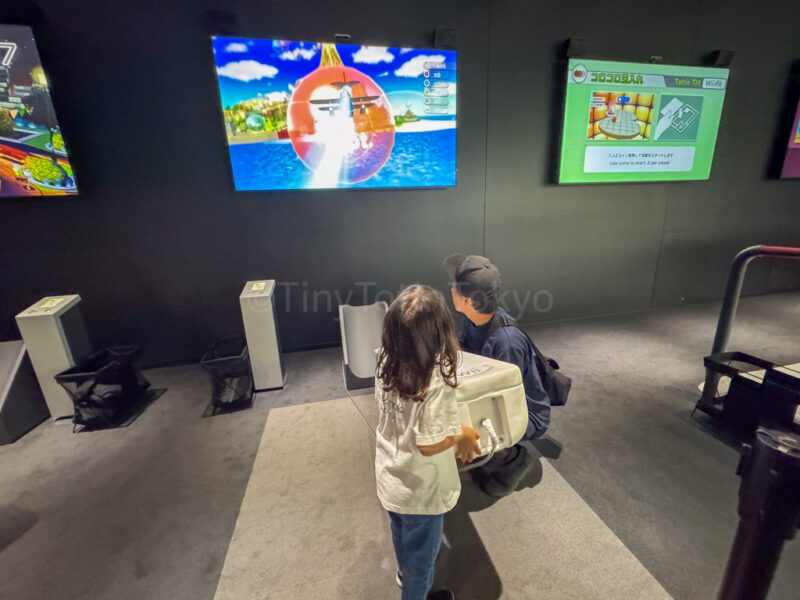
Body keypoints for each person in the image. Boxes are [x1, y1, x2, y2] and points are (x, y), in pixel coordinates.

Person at [375, 284, 482, 600]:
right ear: (440, 331)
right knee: (423, 559)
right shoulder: (435, 381)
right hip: (422, 488)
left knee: (401, 532)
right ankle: (414, 590)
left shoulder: (384, 360)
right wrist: (461, 435)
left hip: (392, 476)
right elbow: (429, 444)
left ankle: (405, 574)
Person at [444, 254, 551, 497]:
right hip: (494, 395)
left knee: (459, 425)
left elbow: (504, 403)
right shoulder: (476, 319)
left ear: (468, 300)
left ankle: (514, 459)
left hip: (525, 413)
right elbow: (463, 352)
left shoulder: (506, 342)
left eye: (455, 287)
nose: (451, 289)